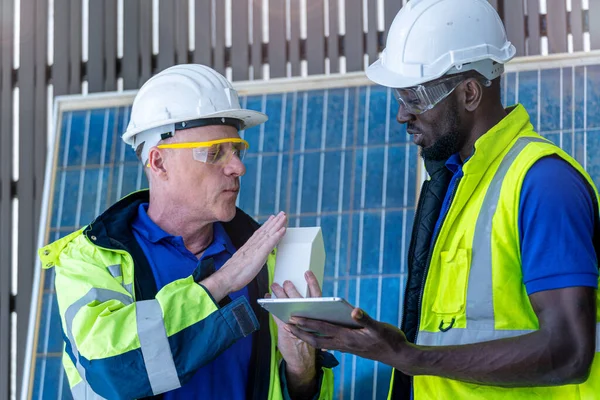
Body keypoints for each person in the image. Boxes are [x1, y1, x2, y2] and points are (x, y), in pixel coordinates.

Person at [286, 0, 600, 399]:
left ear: (469, 92)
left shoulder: (543, 183)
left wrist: (407, 356)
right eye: (399, 98)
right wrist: (394, 348)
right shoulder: (452, 186)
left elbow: (569, 352)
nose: (402, 115)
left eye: (415, 98)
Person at [39, 64, 337, 400]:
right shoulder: (90, 259)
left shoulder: (269, 263)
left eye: (237, 150)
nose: (238, 166)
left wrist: (303, 371)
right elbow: (114, 371)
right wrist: (221, 284)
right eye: (214, 152)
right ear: (159, 162)